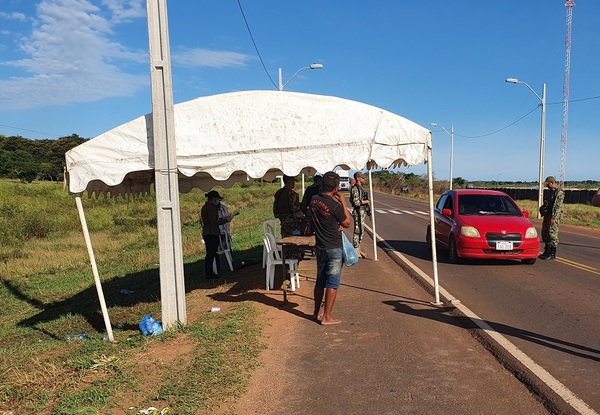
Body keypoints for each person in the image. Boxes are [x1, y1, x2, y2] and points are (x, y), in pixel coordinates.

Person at [307, 171, 351, 325]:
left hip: (320, 246)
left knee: (320, 281)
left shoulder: (314, 200)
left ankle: (316, 312)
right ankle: (327, 317)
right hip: (334, 247)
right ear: (336, 188)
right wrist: (343, 202)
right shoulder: (334, 205)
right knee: (332, 282)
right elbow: (347, 223)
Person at [201, 190, 231, 278]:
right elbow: (214, 222)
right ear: (213, 199)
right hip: (211, 232)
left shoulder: (207, 207)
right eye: (217, 199)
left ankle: (213, 270)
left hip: (210, 232)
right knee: (211, 253)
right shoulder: (209, 208)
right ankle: (209, 273)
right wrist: (225, 220)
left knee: (212, 253)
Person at [273, 175, 305, 258]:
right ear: (290, 182)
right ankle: (295, 259)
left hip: (283, 222)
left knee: (286, 242)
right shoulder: (292, 194)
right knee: (295, 242)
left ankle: (287, 258)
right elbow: (295, 209)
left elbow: (275, 210)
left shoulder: (278, 193)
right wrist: (303, 217)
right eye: (293, 181)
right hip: (292, 223)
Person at [539, 176, 564, 260]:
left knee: (552, 234)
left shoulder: (559, 192)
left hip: (554, 216)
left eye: (548, 184)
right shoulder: (552, 192)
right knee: (545, 233)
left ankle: (552, 253)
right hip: (548, 215)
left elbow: (557, 207)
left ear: (552, 183)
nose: (547, 186)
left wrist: (553, 218)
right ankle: (547, 251)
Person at [350, 171, 371, 258]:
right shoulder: (355, 188)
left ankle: (358, 248)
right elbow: (356, 202)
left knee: (361, 231)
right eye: (362, 177)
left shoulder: (360, 188)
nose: (363, 179)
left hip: (362, 211)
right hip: (358, 211)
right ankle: (356, 249)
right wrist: (366, 201)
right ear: (358, 178)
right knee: (358, 230)